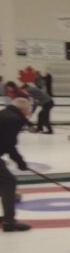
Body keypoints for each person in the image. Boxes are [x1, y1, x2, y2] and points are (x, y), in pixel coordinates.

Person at [0, 98, 33, 232]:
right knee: (9, 182)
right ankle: (9, 222)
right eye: (29, 111)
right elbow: (10, 145)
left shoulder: (4, 113)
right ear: (24, 110)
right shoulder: (14, 120)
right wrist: (20, 162)